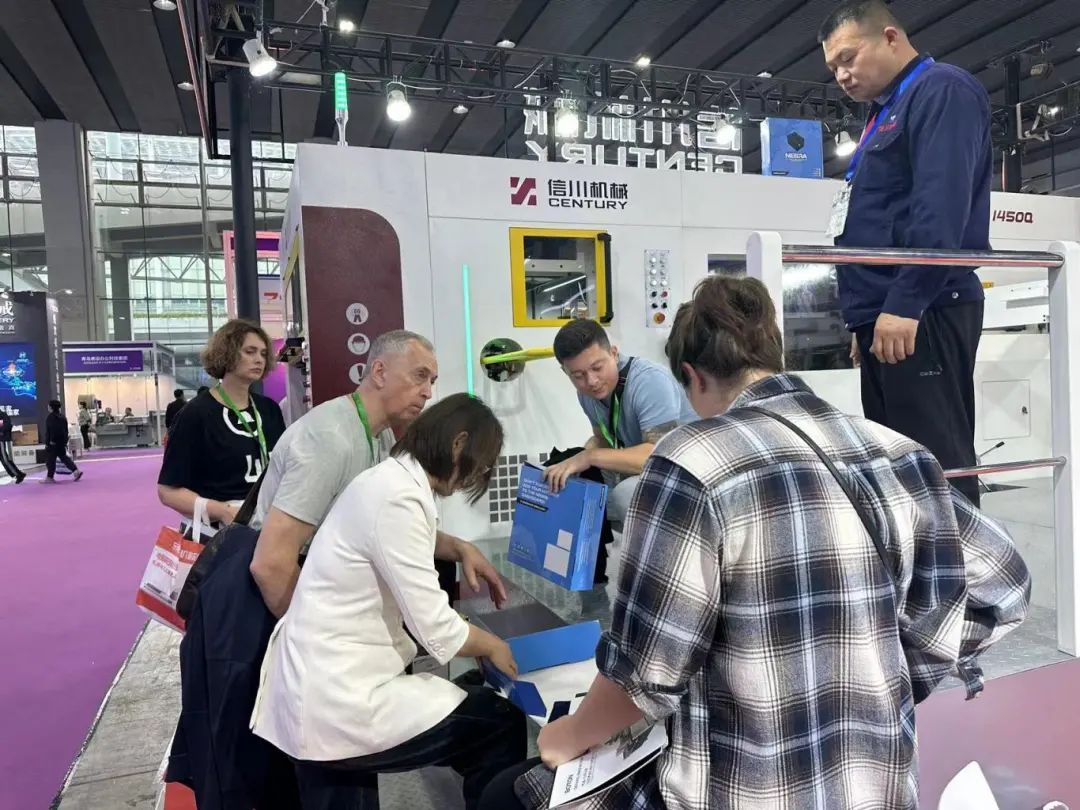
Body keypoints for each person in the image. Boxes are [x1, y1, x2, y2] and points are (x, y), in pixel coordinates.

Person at [481, 276, 1031, 810]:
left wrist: (572, 732)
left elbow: (647, 670)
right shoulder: (896, 451)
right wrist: (893, 671)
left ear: (692, 377)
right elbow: (1004, 587)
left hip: (740, 784)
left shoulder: (689, 463)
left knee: (504, 793)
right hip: (876, 781)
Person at [251, 393, 528, 810]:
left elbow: (404, 543)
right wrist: (492, 645)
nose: (475, 478)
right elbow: (437, 629)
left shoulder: (388, 480)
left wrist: (460, 548)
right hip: (338, 697)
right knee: (497, 724)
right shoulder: (399, 497)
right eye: (482, 466)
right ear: (459, 444)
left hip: (317, 687)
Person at [820, 0, 990, 505]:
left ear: (891, 37)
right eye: (833, 68)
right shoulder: (884, 112)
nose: (842, 76)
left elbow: (940, 208)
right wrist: (866, 318)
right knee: (896, 468)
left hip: (926, 308)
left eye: (848, 58)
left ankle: (957, 557)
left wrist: (905, 303)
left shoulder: (942, 90)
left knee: (935, 467)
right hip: (888, 315)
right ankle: (915, 557)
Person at [250, 329, 505, 617]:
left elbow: (386, 528)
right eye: (419, 376)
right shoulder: (328, 439)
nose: (427, 392)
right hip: (289, 603)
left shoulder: (379, 435)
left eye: (431, 381)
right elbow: (271, 564)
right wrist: (317, 633)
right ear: (380, 372)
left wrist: (459, 548)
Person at [543, 318, 697, 580]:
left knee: (625, 494)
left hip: (683, 472)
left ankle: (668, 574)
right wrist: (576, 460)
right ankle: (584, 574)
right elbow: (602, 440)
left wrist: (589, 456)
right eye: (578, 375)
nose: (591, 381)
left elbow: (659, 456)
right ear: (565, 372)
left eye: (597, 368)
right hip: (642, 466)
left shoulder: (648, 381)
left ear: (613, 353)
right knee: (562, 477)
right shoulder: (587, 393)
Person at [158, 319, 285, 526]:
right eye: (250, 352)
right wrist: (222, 511)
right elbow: (167, 491)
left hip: (269, 527)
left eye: (263, 354)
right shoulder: (195, 414)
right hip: (221, 532)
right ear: (228, 353)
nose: (259, 360)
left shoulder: (270, 410)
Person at [42, 400, 82, 483]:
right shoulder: (62, 417)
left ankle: (50, 477)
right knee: (64, 457)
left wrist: (50, 441)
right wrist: (64, 441)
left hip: (53, 443)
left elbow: (51, 431)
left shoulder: (51, 417)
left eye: (49, 405)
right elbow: (65, 430)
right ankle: (75, 471)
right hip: (61, 442)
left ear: (51, 407)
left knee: (50, 460)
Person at [0, 408, 25, 484]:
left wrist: (1, 432)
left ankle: (18, 474)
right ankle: (18, 474)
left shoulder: (2, 415)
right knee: (3, 459)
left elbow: (7, 425)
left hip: (2, 440)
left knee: (5, 459)